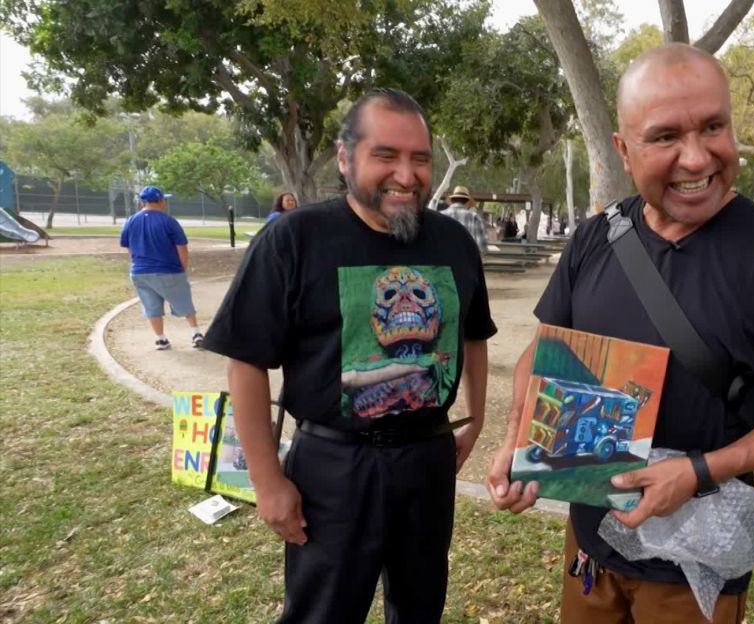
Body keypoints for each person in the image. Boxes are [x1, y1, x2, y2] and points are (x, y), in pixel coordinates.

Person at [484, 44, 754, 623]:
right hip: (592, 549)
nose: (697, 157)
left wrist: (700, 470)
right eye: (665, 137)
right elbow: (544, 350)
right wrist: (518, 438)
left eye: (713, 127)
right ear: (623, 149)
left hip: (697, 565)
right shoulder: (594, 240)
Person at [202, 88, 497, 623]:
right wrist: (267, 480)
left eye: (420, 158)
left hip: (428, 461)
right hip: (332, 467)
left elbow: (474, 335)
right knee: (323, 613)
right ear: (344, 158)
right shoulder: (294, 239)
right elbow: (246, 360)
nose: (406, 175)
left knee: (421, 607)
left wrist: (474, 421)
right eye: (385, 155)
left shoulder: (454, 242)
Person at [119, 186, 204, 350]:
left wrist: (136, 263)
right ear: (159, 200)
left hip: (139, 272)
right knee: (183, 302)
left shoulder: (130, 221)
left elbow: (128, 246)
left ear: (143, 202)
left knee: (151, 307)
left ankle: (160, 339)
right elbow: (181, 248)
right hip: (168, 270)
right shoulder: (168, 221)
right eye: (164, 199)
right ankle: (196, 333)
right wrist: (182, 269)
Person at [442, 185, 488, 253]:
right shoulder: (475, 218)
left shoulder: (440, 216)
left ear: (451, 200)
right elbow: (482, 247)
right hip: (467, 258)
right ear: (467, 202)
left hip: (444, 258)